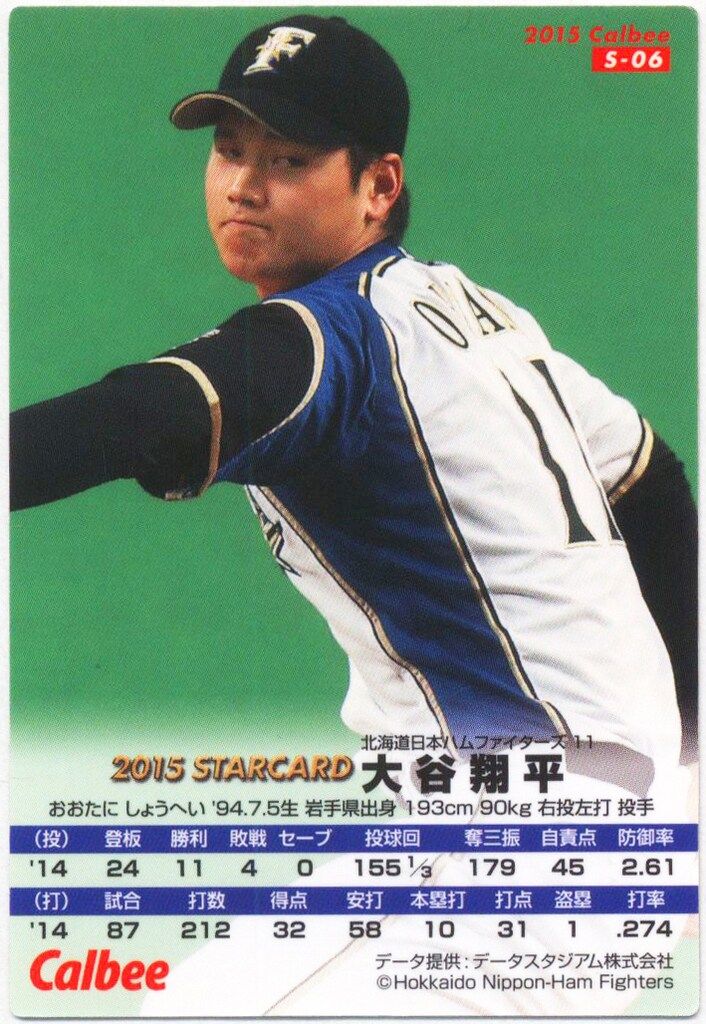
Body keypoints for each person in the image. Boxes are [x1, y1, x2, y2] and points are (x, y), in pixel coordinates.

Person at [10, 14, 697, 1015]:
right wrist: (684, 763)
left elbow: (144, 414)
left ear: (378, 185)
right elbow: (646, 478)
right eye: (229, 148)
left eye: (288, 158)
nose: (244, 185)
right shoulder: (480, 317)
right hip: (569, 821)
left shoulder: (333, 337)